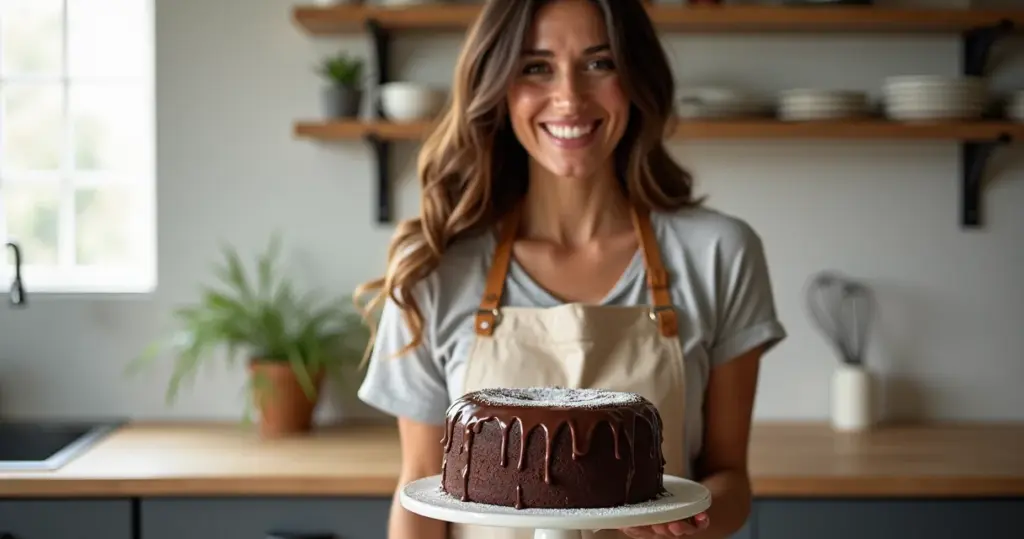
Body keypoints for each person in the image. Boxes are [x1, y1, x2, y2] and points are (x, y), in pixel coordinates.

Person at [354, 0, 787, 537]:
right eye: (536, 67)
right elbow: (420, 485)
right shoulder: (435, 267)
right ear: (498, 87)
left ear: (636, 78)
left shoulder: (720, 253)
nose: (569, 97)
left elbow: (730, 479)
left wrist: (687, 527)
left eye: (599, 63)